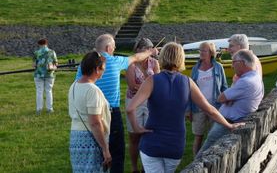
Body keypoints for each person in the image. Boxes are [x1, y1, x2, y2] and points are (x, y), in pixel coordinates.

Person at [127, 42, 244, 173]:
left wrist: (137, 128)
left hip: (152, 143)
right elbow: (209, 109)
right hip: (175, 145)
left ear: (162, 57)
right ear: (181, 59)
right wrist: (229, 125)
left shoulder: (151, 81)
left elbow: (130, 108)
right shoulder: (188, 82)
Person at [75, 33, 158, 173]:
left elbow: (79, 86)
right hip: (111, 113)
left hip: (89, 113)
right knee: (116, 153)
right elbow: (137, 57)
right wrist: (151, 52)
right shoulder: (114, 61)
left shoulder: (84, 64)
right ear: (108, 48)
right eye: (113, 47)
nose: (113, 50)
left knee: (96, 151)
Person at [197, 49, 264, 156]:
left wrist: (228, 98)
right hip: (234, 122)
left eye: (234, 62)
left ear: (242, 63)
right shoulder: (254, 77)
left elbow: (220, 98)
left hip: (227, 124)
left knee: (203, 155)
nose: (232, 66)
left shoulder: (245, 82)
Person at [69, 51, 112, 172]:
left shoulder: (74, 85)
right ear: (97, 69)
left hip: (75, 137)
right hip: (91, 139)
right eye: (103, 68)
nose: (104, 71)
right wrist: (105, 149)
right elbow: (95, 122)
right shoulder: (93, 90)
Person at [126, 38, 160, 173]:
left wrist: (147, 86)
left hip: (150, 103)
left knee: (149, 135)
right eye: (145, 49)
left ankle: (146, 167)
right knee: (134, 136)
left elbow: (158, 83)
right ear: (138, 50)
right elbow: (132, 86)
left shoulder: (154, 63)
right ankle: (134, 168)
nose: (147, 51)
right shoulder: (131, 64)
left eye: (149, 48)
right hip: (134, 103)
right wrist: (149, 86)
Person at [189, 42, 228, 155]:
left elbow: (224, 87)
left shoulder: (218, 67)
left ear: (211, 53)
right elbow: (190, 90)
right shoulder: (195, 69)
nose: (201, 53)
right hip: (198, 108)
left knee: (214, 135)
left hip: (215, 107)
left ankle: (212, 157)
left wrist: (226, 103)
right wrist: (189, 109)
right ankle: (195, 161)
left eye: (204, 51)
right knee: (198, 136)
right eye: (200, 50)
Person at [33, 38, 58, 115]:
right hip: (49, 74)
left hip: (38, 74)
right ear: (46, 44)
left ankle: (39, 109)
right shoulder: (52, 52)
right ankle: (50, 109)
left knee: (39, 91)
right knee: (49, 91)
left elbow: (34, 65)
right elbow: (56, 63)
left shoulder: (36, 53)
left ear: (39, 44)